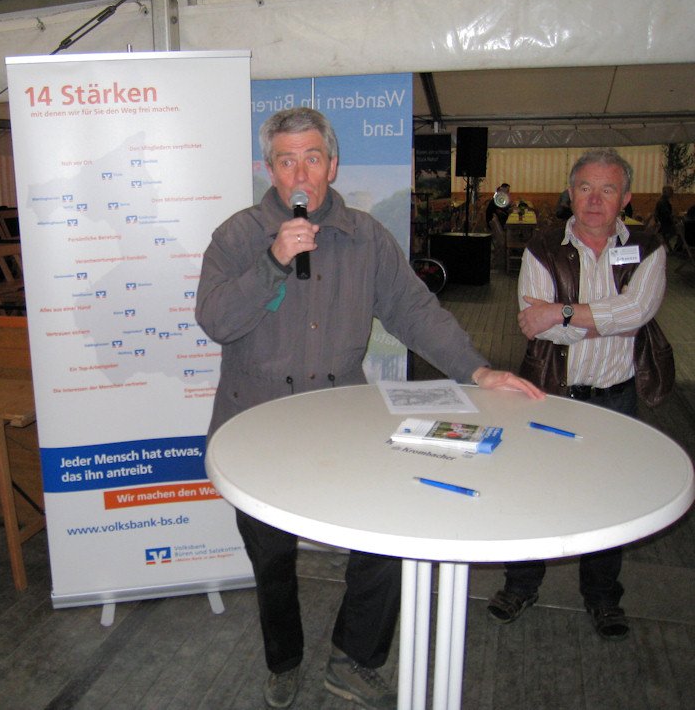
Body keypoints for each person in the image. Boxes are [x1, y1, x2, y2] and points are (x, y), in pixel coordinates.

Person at [195, 107, 544, 709]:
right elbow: (216, 321)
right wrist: (273, 261)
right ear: (268, 169)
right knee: (271, 559)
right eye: (286, 160)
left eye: (312, 158)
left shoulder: (366, 237)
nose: (300, 173)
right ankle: (284, 661)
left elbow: (415, 311)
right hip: (256, 426)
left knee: (384, 540)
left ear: (332, 165)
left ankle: (354, 658)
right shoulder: (236, 236)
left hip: (341, 420)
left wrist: (477, 370)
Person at [487, 147, 671, 642]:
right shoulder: (542, 247)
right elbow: (538, 325)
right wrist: (603, 319)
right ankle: (520, 585)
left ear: (625, 198)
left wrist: (563, 311)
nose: (594, 199)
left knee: (610, 499)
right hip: (551, 393)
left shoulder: (649, 247)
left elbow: (638, 312)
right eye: (585, 188)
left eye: (607, 189)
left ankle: (603, 596)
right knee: (533, 492)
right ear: (570, 193)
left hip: (616, 398)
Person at [654, 185, 678, 252]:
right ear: (666, 192)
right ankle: (677, 247)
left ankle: (675, 247)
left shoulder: (662, 201)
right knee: (682, 229)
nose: (672, 193)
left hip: (663, 224)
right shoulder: (663, 202)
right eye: (671, 192)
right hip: (665, 226)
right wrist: (674, 218)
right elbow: (667, 215)